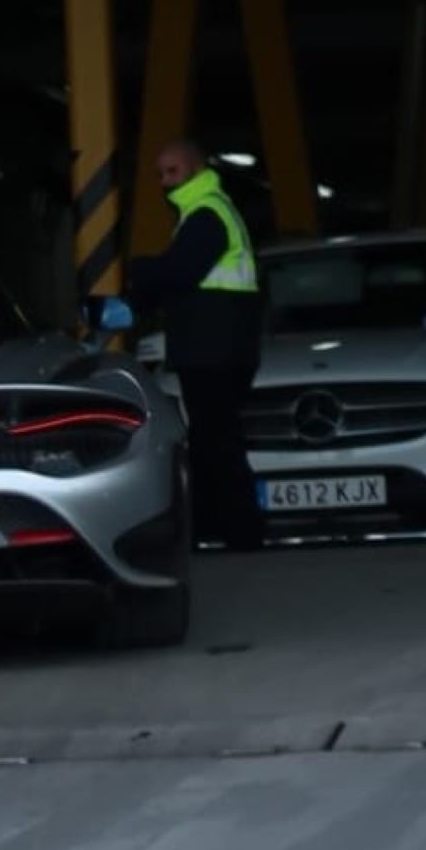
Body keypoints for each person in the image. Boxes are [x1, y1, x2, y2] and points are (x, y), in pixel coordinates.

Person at [91, 139, 267, 550]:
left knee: (217, 441)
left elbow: (178, 273)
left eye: (173, 171)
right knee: (212, 440)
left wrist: (136, 269)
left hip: (213, 352)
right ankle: (218, 529)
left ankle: (237, 532)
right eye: (161, 174)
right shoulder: (205, 212)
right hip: (220, 350)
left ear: (196, 169)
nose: (166, 182)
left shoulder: (207, 214)